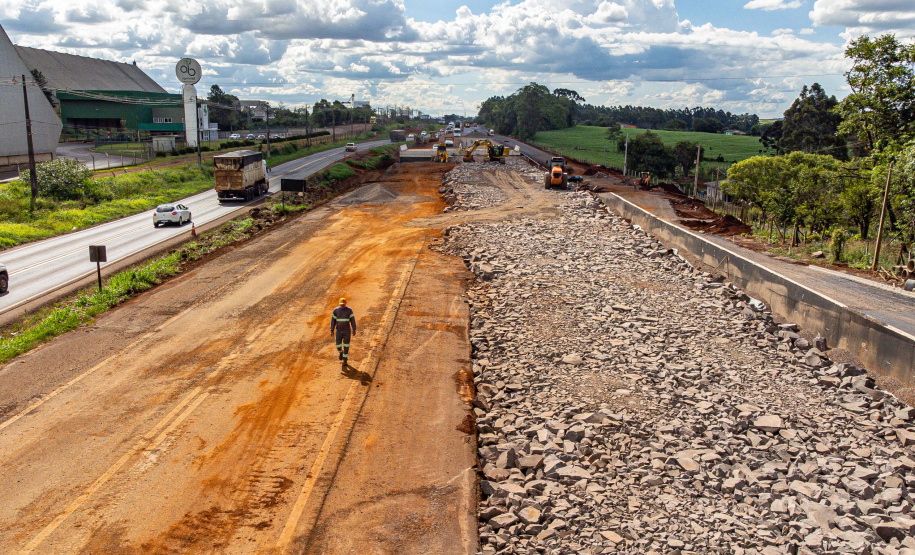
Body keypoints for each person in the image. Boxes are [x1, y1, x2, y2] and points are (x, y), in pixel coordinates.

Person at [330, 297, 357, 368]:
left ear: (345, 304)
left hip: (347, 331)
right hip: (338, 331)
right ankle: (341, 353)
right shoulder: (336, 310)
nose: (342, 306)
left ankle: (345, 360)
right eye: (341, 304)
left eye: (343, 304)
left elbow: (352, 320)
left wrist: (354, 329)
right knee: (338, 345)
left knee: (346, 346)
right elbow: (333, 321)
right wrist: (332, 329)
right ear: (339, 304)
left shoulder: (349, 310)